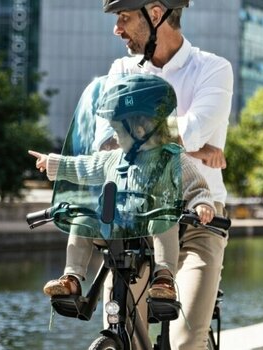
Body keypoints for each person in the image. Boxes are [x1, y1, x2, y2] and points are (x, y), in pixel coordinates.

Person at [101, 1, 234, 349]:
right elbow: (104, 141)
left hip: (199, 217)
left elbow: (194, 128)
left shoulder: (213, 69)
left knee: (184, 340)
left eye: (124, 18)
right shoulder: (122, 70)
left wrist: (137, 134)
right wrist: (191, 148)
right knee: (122, 326)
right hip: (136, 216)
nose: (117, 29)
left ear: (156, 14)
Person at [29, 74, 216, 303]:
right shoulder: (113, 158)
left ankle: (164, 277)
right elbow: (85, 166)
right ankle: (72, 277)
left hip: (147, 230)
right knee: (81, 219)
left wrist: (202, 204)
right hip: (115, 226)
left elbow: (197, 188)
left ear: (139, 130)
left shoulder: (171, 158)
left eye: (118, 131)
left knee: (163, 218)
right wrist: (53, 162)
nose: (115, 137)